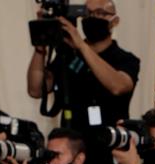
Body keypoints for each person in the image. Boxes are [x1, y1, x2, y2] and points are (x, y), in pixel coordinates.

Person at [27, 0, 139, 133]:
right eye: (88, 13)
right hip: (73, 142)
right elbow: (36, 90)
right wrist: (40, 46)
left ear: (115, 21)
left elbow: (118, 86)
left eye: (100, 13)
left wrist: (81, 45)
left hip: (108, 142)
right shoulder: (68, 54)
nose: (92, 18)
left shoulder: (126, 59)